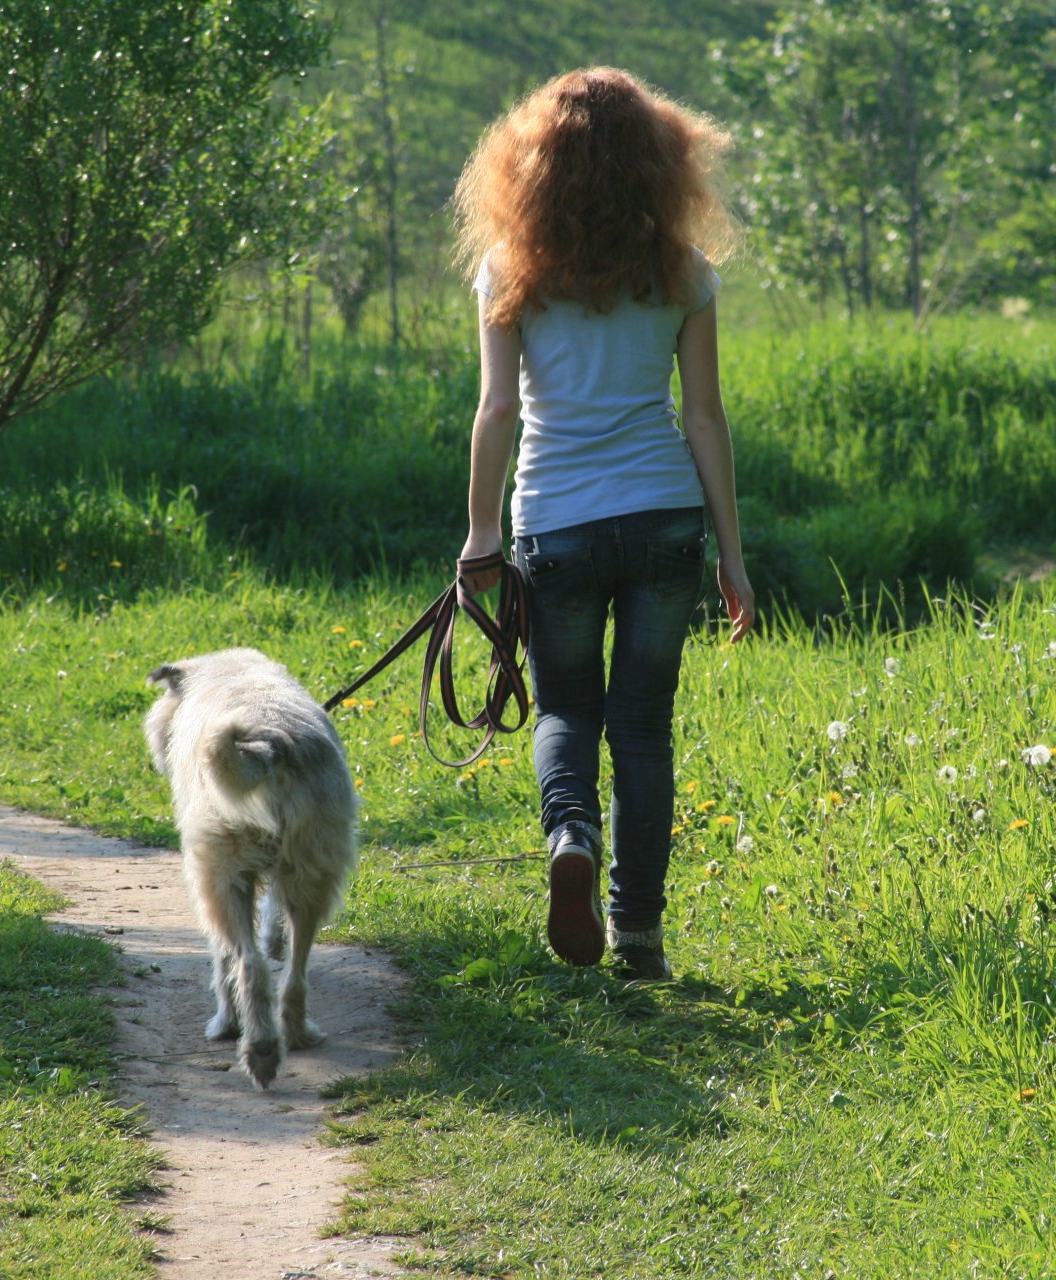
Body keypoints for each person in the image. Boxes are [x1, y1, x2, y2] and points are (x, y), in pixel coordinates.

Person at [452, 67, 753, 983]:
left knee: (569, 710)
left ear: (532, 165)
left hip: (557, 521)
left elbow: (497, 412)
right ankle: (640, 937)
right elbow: (705, 417)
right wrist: (733, 559)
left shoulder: (508, 270)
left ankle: (570, 837)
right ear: (660, 162)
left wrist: (480, 537)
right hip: (664, 519)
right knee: (646, 729)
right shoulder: (683, 271)